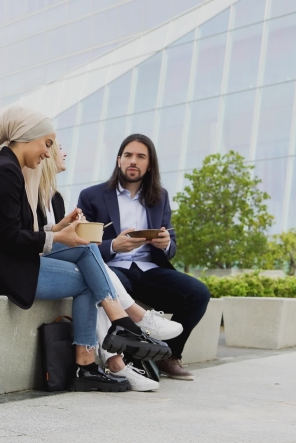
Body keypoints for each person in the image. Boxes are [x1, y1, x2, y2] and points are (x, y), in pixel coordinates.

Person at [0, 106, 173, 392]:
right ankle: (97, 351)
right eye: (48, 144)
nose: (47, 153)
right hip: (0, 272)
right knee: (88, 272)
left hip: (8, 262)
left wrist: (58, 230)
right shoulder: (5, 171)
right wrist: (58, 238)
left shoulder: (7, 168)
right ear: (27, 137)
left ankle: (113, 334)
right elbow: (8, 239)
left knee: (86, 248)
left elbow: (11, 234)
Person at [77, 133, 211, 380]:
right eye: (128, 155)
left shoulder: (160, 196)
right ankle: (128, 358)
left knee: (198, 293)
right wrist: (114, 246)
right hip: (112, 267)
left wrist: (166, 243)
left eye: (141, 157)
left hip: (150, 269)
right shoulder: (91, 196)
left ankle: (169, 357)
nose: (133, 161)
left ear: (149, 165)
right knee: (115, 286)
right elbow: (81, 243)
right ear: (119, 160)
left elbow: (172, 244)